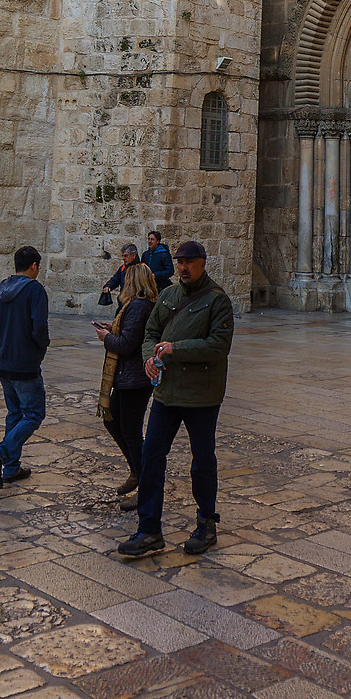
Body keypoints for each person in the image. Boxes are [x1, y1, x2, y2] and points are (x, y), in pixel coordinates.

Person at [119, 239, 233, 561]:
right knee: (152, 454)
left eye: (189, 262)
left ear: (202, 263)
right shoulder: (167, 296)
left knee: (202, 460)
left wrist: (175, 349)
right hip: (167, 393)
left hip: (201, 395)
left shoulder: (217, 301)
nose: (182, 267)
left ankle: (206, 522)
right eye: (179, 262)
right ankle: (149, 529)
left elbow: (218, 345)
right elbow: (151, 333)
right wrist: (147, 359)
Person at [0, 246, 49, 489]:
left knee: (15, 413)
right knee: (33, 414)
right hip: (25, 363)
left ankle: (11, 468)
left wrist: (3, 345)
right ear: (33, 266)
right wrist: (40, 349)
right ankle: (0, 454)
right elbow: (39, 327)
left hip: (4, 362)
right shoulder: (34, 290)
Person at [93, 260, 159, 502]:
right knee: (113, 421)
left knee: (130, 430)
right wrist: (113, 329)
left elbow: (128, 344)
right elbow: (132, 334)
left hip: (135, 379)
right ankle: (136, 471)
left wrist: (106, 337)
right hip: (128, 378)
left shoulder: (138, 307)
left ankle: (143, 479)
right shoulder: (138, 306)